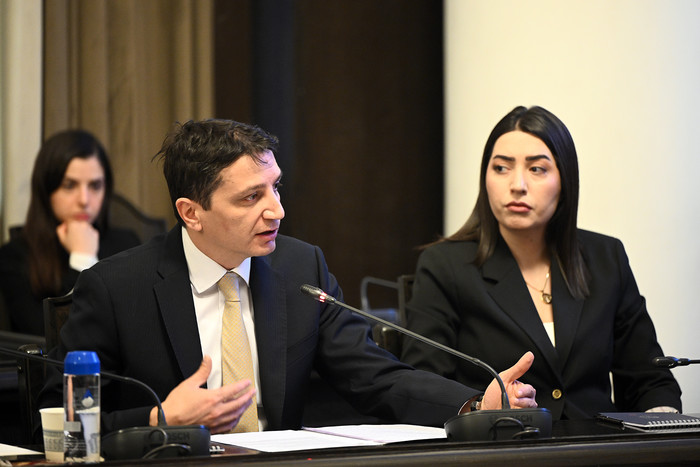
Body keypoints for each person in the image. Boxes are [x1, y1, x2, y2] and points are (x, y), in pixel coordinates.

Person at [39, 119, 537, 435]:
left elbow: (373, 377)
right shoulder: (116, 287)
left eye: (275, 188)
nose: (277, 210)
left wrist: (474, 401)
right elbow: (54, 419)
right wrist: (159, 418)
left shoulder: (301, 268)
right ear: (191, 212)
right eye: (250, 197)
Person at [400, 106, 682, 420]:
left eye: (537, 169)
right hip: (500, 442)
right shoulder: (446, 265)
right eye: (501, 168)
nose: (517, 185)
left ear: (565, 180)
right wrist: (479, 404)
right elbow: (422, 385)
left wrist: (663, 418)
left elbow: (648, 378)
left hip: (598, 442)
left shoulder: (606, 258)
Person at [0, 130, 140, 336]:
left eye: (95, 186)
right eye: (69, 185)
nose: (84, 199)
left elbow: (140, 325)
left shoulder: (127, 244)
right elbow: (50, 339)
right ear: (46, 190)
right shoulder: (14, 256)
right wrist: (82, 259)